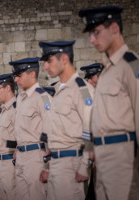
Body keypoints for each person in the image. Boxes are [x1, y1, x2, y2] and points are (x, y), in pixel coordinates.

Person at [79, 5, 139, 199]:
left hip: (124, 161)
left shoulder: (132, 65)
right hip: (103, 161)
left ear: (114, 28)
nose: (92, 40)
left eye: (96, 32)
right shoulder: (106, 72)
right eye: (90, 34)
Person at [39, 40, 94, 200]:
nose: (46, 67)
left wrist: (84, 166)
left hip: (72, 164)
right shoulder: (58, 91)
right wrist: (48, 166)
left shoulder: (82, 89)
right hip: (56, 163)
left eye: (49, 61)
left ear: (63, 59)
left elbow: (90, 128)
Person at [10, 57, 50, 200]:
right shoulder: (21, 98)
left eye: (19, 75)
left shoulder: (42, 97)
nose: (15, 80)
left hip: (36, 156)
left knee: (37, 195)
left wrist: (48, 164)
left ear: (32, 74)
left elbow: (50, 130)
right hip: (21, 155)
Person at [0, 74, 17, 200]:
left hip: (11, 163)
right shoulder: (3, 111)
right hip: (1, 162)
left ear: (7, 88)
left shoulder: (16, 109)